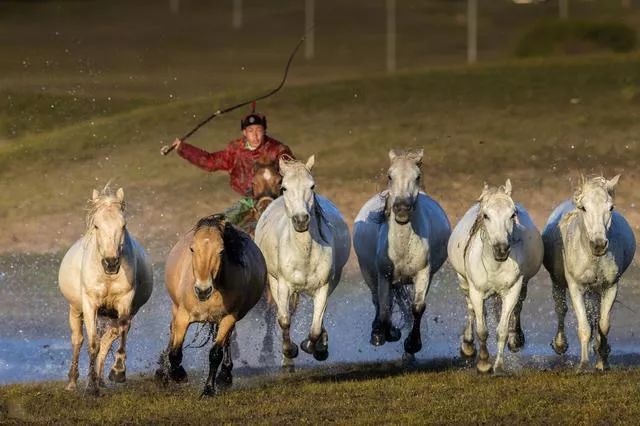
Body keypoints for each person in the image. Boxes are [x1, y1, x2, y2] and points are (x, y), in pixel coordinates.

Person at [170, 110, 294, 225]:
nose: (255, 136)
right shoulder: (235, 150)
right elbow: (210, 162)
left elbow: (293, 172)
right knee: (222, 226)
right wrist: (183, 148)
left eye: (259, 130)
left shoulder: (278, 150)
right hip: (248, 202)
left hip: (277, 200)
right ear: (244, 132)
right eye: (251, 131)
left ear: (265, 131)